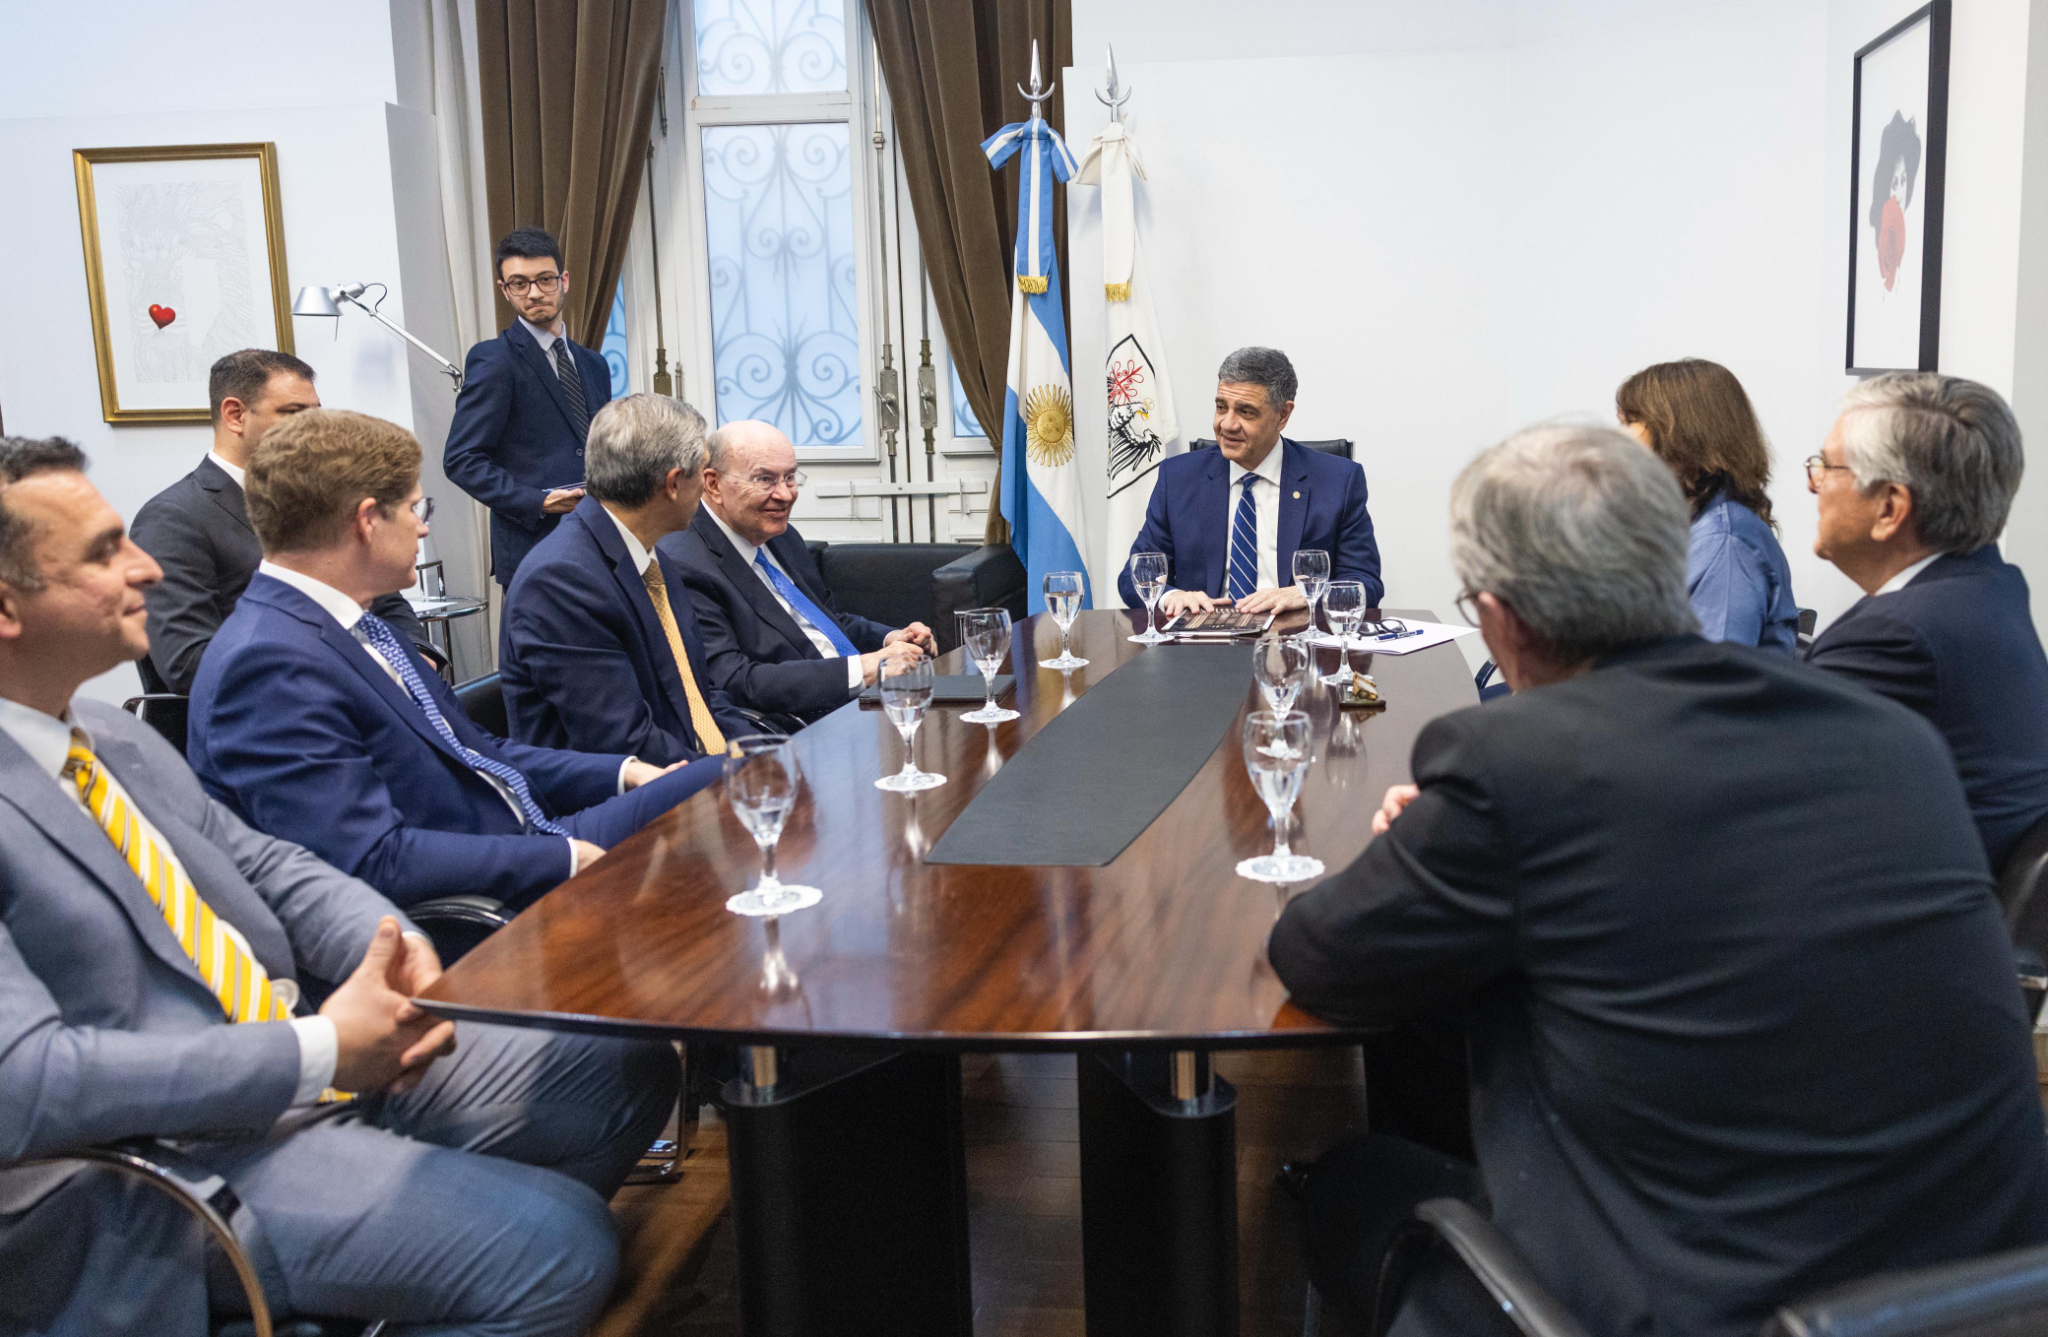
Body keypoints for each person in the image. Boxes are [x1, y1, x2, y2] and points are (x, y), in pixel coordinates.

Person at [1269, 423, 2048, 1337]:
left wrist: (1442, 844)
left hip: (1709, 1310)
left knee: (1348, 1181)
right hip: (1978, 1297)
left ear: (1499, 617)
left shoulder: (1513, 762)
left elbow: (1316, 955)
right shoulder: (1897, 741)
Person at [0, 435, 677, 1337]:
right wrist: (318, 1049)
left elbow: (267, 864)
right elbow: (26, 1082)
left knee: (621, 1069)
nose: (148, 567)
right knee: (565, 1251)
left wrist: (392, 947)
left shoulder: (102, 732)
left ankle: (403, 1270)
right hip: (163, 1162)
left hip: (298, 1061)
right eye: (102, 553)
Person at [187, 409, 725, 911]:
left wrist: (623, 772)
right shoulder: (266, 665)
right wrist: (561, 859)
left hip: (527, 834)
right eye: (416, 509)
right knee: (735, 788)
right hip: (481, 895)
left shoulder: (355, 622)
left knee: (737, 775)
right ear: (367, 520)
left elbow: (477, 752)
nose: (423, 528)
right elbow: (371, 860)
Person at [1806, 371, 2048, 872]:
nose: (1814, 485)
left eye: (1825, 466)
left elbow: (1768, 788)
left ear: (1889, 508)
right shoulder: (1991, 588)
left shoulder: (1894, 636)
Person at [131, 348, 430, 692]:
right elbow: (187, 662)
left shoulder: (325, 496)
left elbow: (381, 596)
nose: (315, 431)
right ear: (235, 415)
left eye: (316, 415)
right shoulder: (173, 519)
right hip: (264, 710)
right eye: (294, 413)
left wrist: (418, 653)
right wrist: (356, 670)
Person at [501, 394, 751, 764]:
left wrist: (761, 754)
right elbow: (625, 742)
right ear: (672, 484)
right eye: (702, 470)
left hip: (694, 766)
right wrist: (730, 773)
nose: (706, 484)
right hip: (638, 790)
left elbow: (699, 692)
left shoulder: (651, 556)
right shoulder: (560, 582)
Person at [669, 419, 934, 726]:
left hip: (865, 702)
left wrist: (892, 639)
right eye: (765, 480)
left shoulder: (781, 536)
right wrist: (866, 669)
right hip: (804, 724)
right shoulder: (686, 563)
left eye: (790, 477)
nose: (785, 495)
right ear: (713, 484)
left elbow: (828, 622)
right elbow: (734, 680)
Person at [1115, 346, 1381, 615]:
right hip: (1204, 634)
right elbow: (1133, 577)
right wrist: (1172, 597)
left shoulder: (1337, 481)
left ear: (1282, 415)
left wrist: (1306, 593)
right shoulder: (1178, 478)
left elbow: (1366, 583)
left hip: (1293, 633)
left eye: (1246, 412)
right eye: (1221, 407)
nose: (1227, 425)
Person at [443, 227, 612, 586]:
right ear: (505, 290)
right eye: (519, 284)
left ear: (564, 281)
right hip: (533, 548)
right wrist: (537, 501)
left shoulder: (593, 363)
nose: (534, 293)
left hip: (599, 539)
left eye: (545, 279)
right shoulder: (494, 360)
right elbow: (461, 459)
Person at [1615, 357, 1800, 651]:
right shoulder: (1686, 528)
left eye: (1630, 422)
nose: (1617, 438)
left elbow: (1712, 675)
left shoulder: (1724, 544)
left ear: (1682, 434)